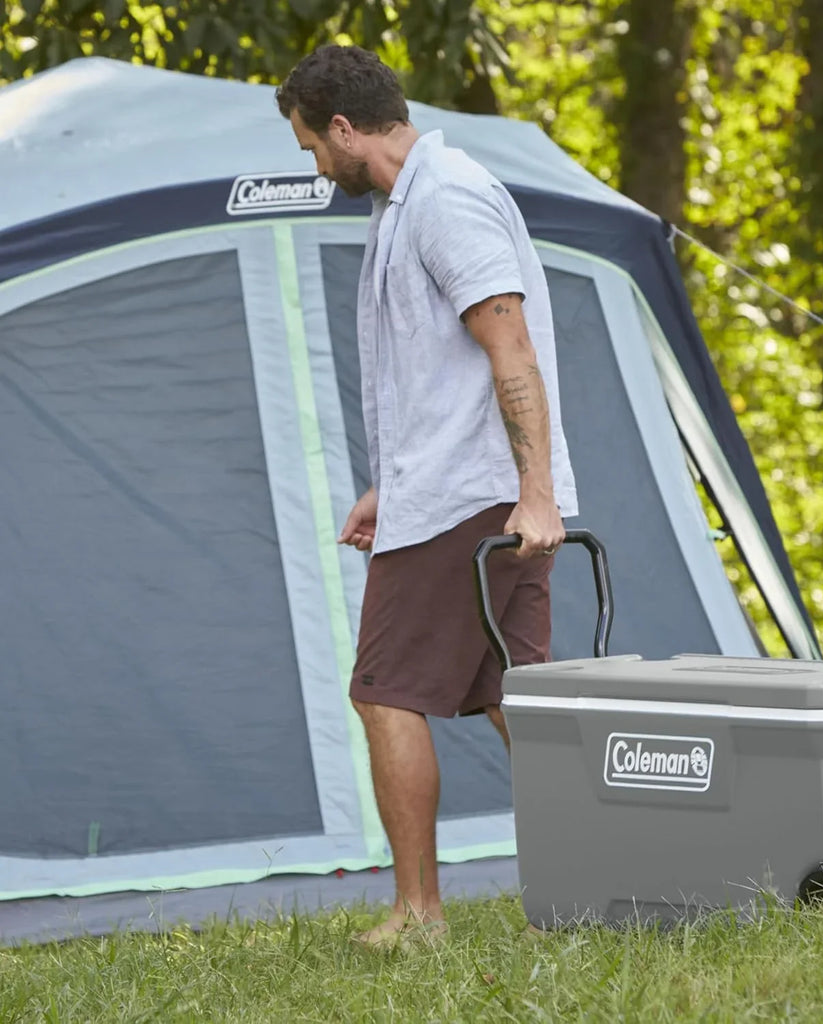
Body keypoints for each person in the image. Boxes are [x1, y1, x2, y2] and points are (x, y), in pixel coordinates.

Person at [276, 45, 577, 947]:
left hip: (473, 502)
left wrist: (535, 497)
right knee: (519, 699)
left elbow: (509, 350)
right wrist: (388, 484)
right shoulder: (414, 201)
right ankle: (606, 882)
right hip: (459, 489)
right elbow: (439, 373)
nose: (315, 166)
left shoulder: (445, 202)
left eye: (311, 147)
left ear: (341, 126)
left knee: (385, 692)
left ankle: (417, 916)